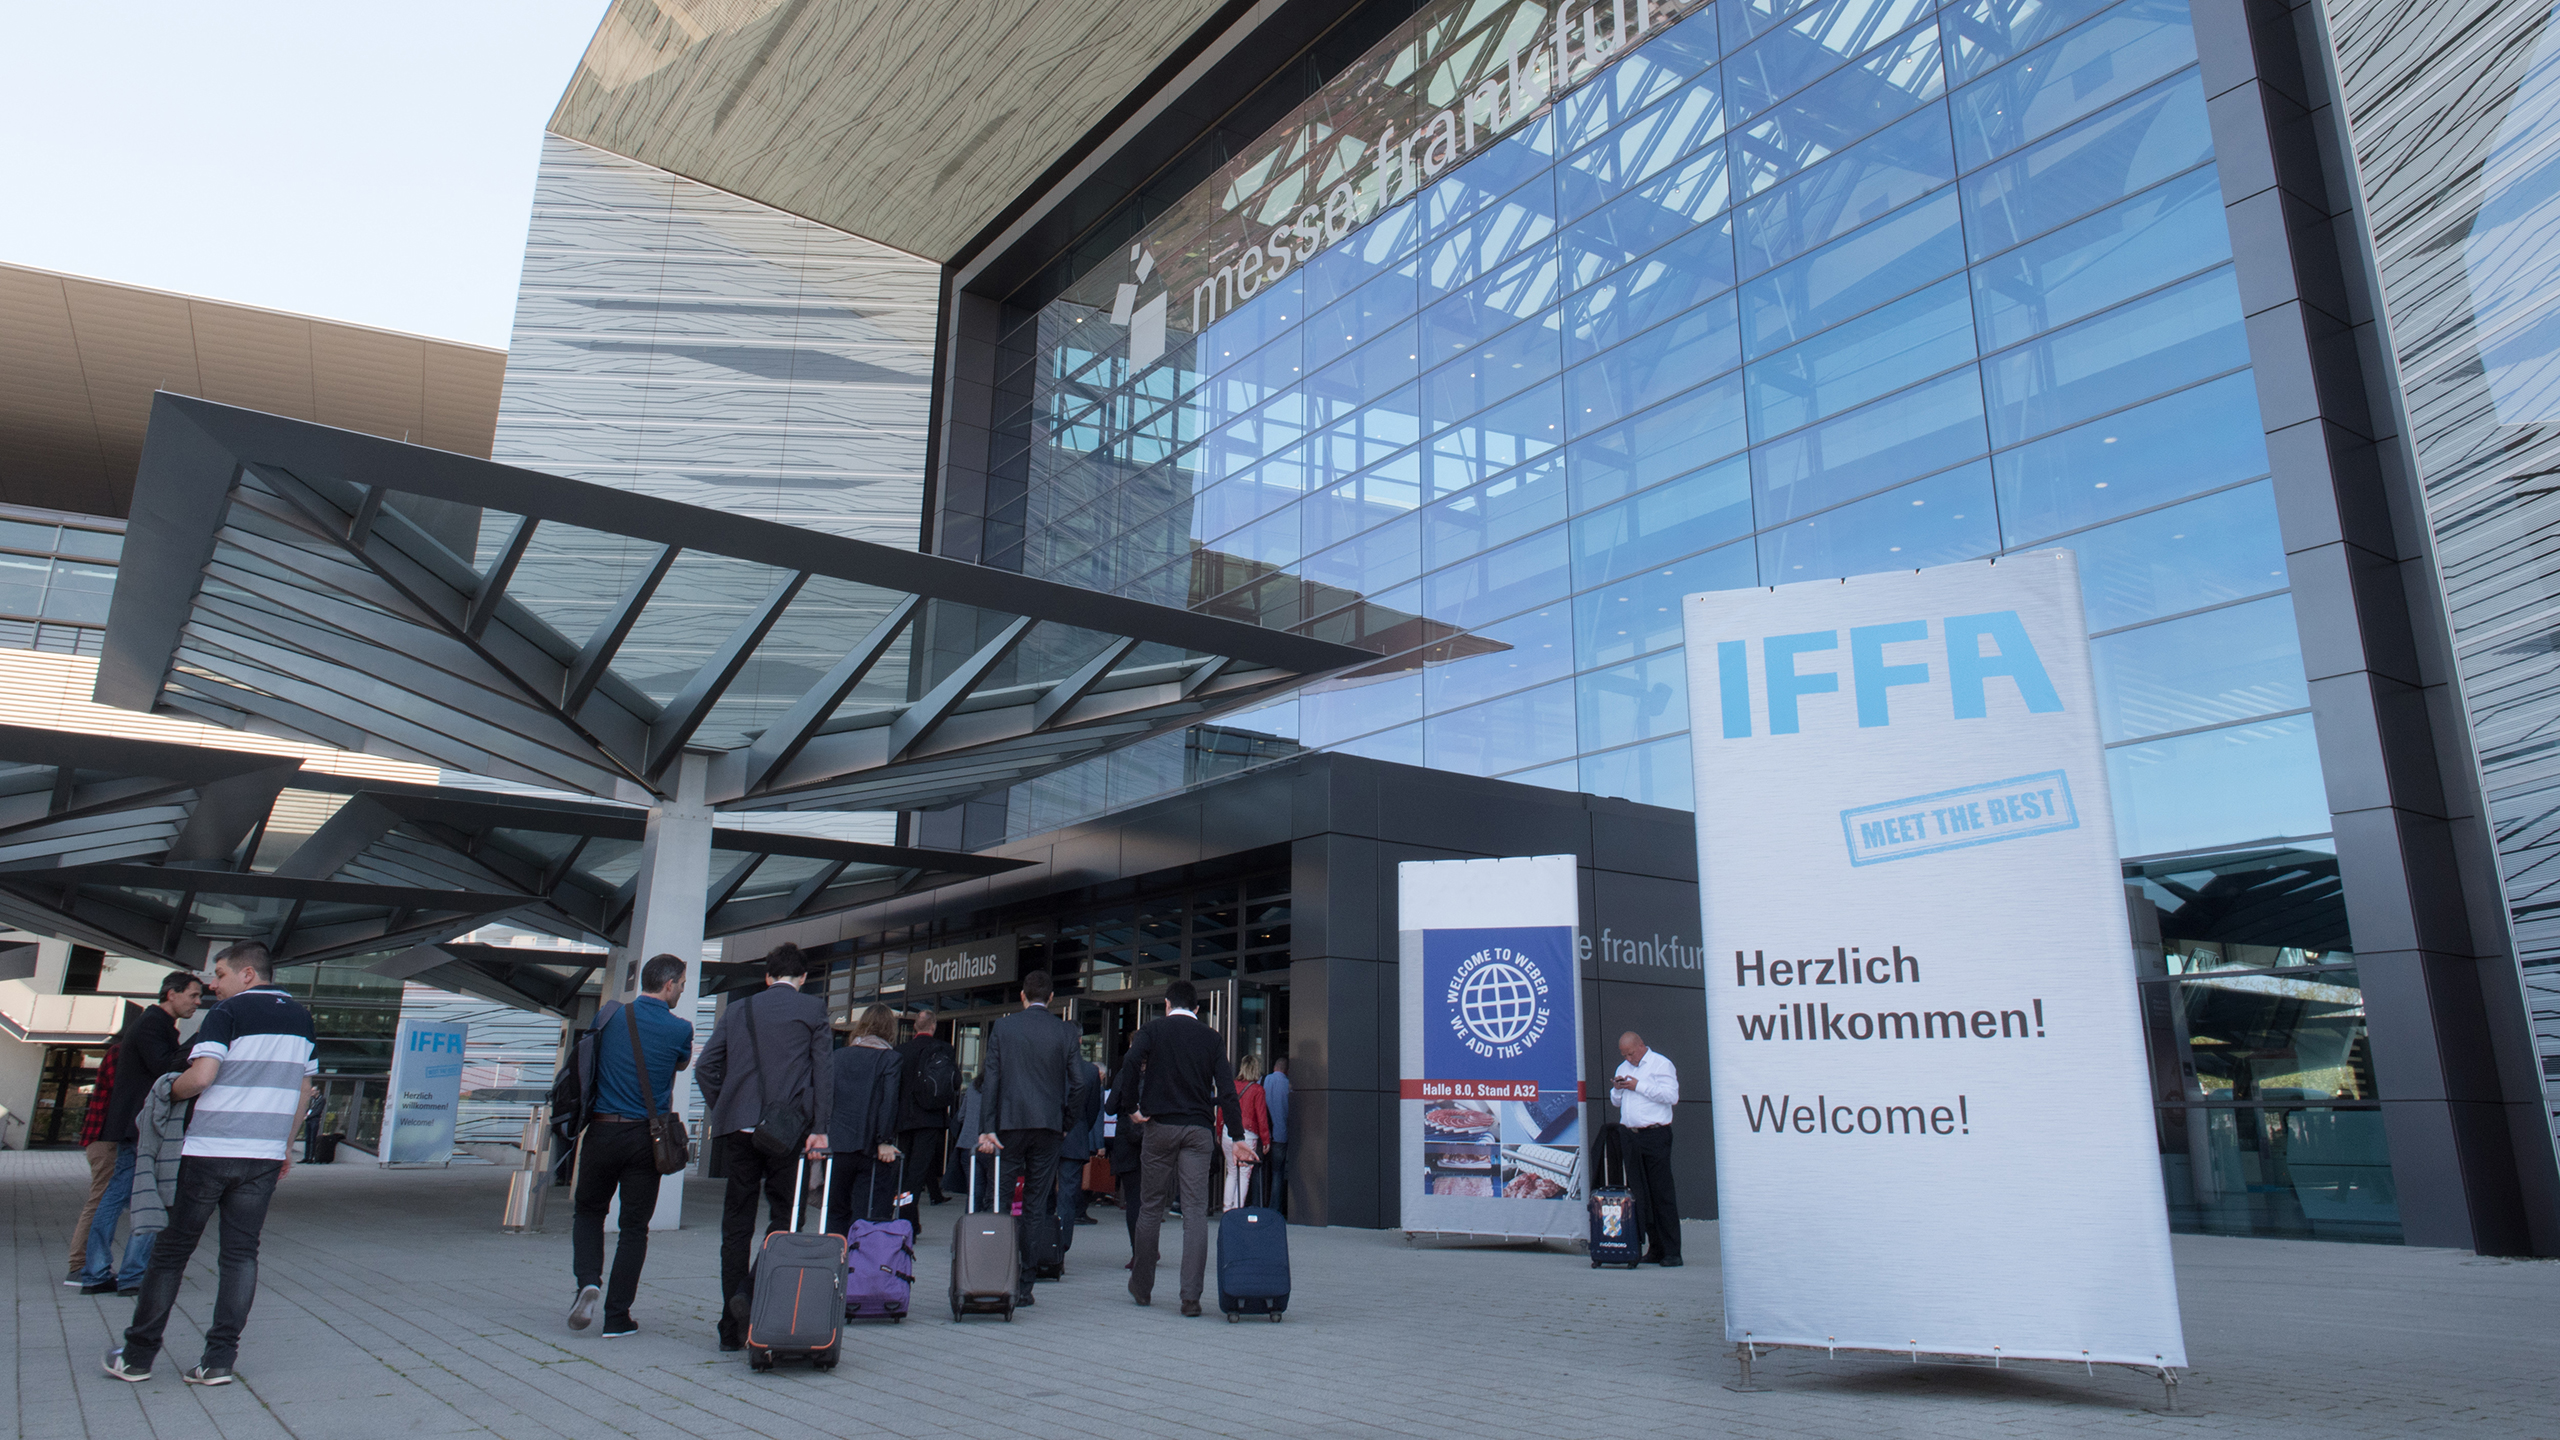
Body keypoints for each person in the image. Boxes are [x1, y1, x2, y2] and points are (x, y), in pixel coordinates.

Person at [105, 943, 316, 1387]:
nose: (212, 984)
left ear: (247, 975)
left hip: (209, 1149)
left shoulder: (227, 1013)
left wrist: (165, 1092)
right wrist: (286, 1148)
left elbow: (201, 1076)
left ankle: (137, 1357)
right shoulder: (302, 1018)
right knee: (240, 1256)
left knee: (171, 1253)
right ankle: (218, 1361)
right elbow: (304, 1090)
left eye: (219, 973)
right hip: (262, 1155)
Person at [695, 942, 833, 1351]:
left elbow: (706, 1067)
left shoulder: (738, 1010)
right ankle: (753, 1290)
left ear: (768, 976)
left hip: (738, 1131)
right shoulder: (813, 1011)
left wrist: (728, 1105)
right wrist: (819, 1128)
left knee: (735, 1224)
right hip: (786, 1132)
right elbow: (824, 1073)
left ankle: (728, 1328)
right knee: (785, 1218)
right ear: (803, 978)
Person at [566, 953, 693, 1339]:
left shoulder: (608, 1017)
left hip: (602, 1131)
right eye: (683, 984)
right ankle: (618, 1317)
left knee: (588, 1211)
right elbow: (681, 1066)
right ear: (669, 985)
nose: (683, 990)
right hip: (646, 1139)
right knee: (634, 1227)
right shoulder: (680, 1029)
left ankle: (588, 1280)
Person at [1118, 979, 1251, 1316]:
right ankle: (1190, 1297)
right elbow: (1227, 1090)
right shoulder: (1212, 1038)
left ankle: (1142, 1287)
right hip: (1198, 1130)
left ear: (1166, 1004)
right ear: (1197, 1009)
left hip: (1159, 1127)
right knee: (1194, 1213)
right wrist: (1237, 1138)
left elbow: (1131, 1063)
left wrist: (1132, 1105)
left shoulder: (1152, 1030)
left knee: (1150, 1208)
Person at [76, 971, 204, 1296]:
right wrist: (202, 1038)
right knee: (143, 1195)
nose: (197, 1002)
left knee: (122, 1195)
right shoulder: (152, 1024)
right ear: (171, 994)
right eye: (193, 995)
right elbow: (166, 1068)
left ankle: (102, 1273)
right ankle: (123, 1274)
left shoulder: (155, 1025)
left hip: (137, 1125)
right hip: (141, 1127)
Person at [974, 969, 1085, 1308]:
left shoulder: (1004, 1027)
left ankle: (996, 1275)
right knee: (1036, 1204)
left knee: (1001, 1201)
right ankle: (1025, 1285)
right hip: (1049, 1127)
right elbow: (1078, 1084)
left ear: (1022, 996)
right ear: (1052, 999)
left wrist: (987, 1126)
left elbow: (991, 1079)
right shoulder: (1064, 1031)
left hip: (1008, 1125)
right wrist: (1065, 1122)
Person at [824, 1004, 903, 1234]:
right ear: (890, 1029)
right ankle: (860, 1265)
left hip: (838, 1145)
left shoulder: (838, 1056)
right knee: (867, 1213)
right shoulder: (891, 1059)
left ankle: (835, 1262)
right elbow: (889, 1102)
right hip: (870, 1149)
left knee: (836, 1209)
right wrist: (884, 1140)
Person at [1610, 1030, 1682, 1267]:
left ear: (1641, 1046)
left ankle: (1673, 1251)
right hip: (1631, 1136)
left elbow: (1671, 1096)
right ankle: (1655, 1248)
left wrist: (1638, 1086)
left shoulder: (1661, 1064)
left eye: (1631, 1053)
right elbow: (1615, 1101)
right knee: (1641, 1196)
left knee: (1661, 1193)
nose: (1628, 1059)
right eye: (1624, 1055)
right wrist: (1618, 1088)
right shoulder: (1623, 1067)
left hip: (1655, 1134)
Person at [894, 1007, 958, 1217]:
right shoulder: (944, 1049)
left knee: (904, 1170)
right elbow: (954, 1082)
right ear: (934, 1026)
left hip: (904, 1119)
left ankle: (906, 1214)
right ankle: (908, 1218)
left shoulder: (900, 1051)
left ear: (914, 1026)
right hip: (931, 1118)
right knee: (918, 1171)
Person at [1056, 1059, 1104, 1240]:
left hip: (1046, 1135)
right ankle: (1060, 1247)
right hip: (1075, 1136)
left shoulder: (1049, 1061)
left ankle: (1040, 1246)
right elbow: (1093, 1110)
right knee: (1067, 1196)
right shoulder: (1090, 1071)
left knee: (1040, 1193)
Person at [1228, 1057, 1273, 1210]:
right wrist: (1266, 1140)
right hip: (1248, 1134)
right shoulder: (1257, 1090)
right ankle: (1237, 1211)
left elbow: (1223, 1109)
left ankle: (1227, 1210)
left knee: (1232, 1172)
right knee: (1244, 1174)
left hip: (1229, 1132)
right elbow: (1261, 1117)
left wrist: (1220, 1131)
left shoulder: (1232, 1086)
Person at [1263, 1055, 1291, 1217]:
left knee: (1262, 1171)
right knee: (1278, 1173)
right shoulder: (1288, 1085)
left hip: (1265, 1134)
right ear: (1287, 1070)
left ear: (1274, 1067)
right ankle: (1275, 1208)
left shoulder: (1264, 1081)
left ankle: (1259, 1204)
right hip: (1281, 1135)